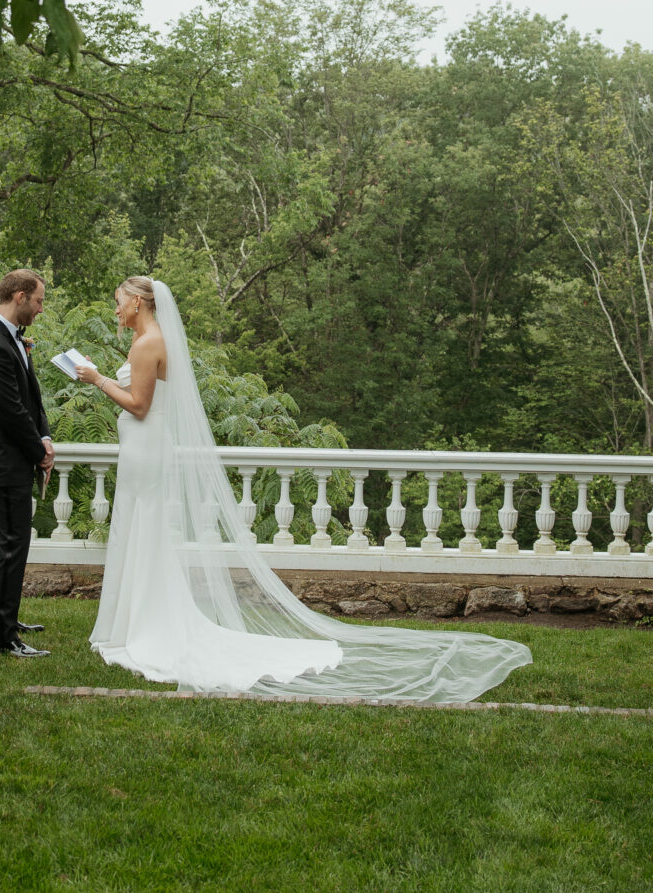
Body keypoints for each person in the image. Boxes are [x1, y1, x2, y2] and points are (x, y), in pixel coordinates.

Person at [75, 276, 529, 701]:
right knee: (145, 533)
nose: (116, 310)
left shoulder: (147, 342)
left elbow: (139, 405)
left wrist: (97, 380)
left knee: (143, 531)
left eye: (118, 302)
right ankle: (137, 622)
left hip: (144, 445)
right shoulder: (155, 340)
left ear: (137, 302)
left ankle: (142, 628)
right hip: (147, 448)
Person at [0, 269, 53, 658]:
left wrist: (45, 435)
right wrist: (39, 452)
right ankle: (2, 639)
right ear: (19, 297)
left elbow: (30, 397)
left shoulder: (11, 339)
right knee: (10, 546)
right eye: (38, 300)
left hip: (9, 457)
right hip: (5, 461)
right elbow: (11, 412)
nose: (40, 308)